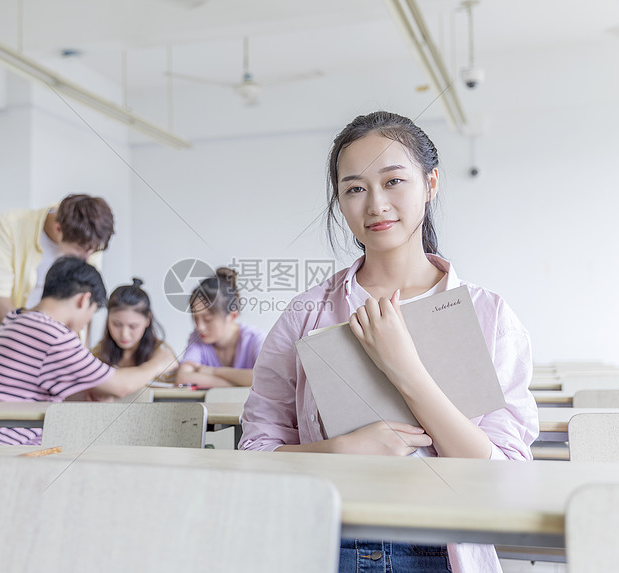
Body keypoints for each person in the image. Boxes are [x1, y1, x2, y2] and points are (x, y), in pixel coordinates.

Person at [239, 111, 538, 573]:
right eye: (355, 188)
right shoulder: (305, 314)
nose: (376, 204)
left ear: (431, 184)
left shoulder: (490, 316)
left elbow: (506, 477)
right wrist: (340, 452)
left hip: (442, 550)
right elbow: (255, 453)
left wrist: (407, 371)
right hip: (325, 542)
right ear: (340, 202)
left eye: (394, 180)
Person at [0, 257, 174, 446]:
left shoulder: (17, 319)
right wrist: (159, 362)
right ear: (84, 300)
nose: (85, 324)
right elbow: (120, 386)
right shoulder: (54, 336)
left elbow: (27, 388)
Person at [0, 194, 114, 400]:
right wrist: (42, 351)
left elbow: (82, 311)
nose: (88, 258)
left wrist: (79, 364)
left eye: (94, 251)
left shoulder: (88, 240)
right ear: (59, 230)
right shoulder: (11, 226)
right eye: (82, 250)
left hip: (38, 360)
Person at [176, 268, 266, 388]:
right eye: (195, 318)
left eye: (207, 319)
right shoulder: (197, 338)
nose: (199, 326)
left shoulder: (255, 339)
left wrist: (213, 371)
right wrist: (242, 383)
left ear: (232, 316)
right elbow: (183, 377)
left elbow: (264, 379)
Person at [93, 278, 177, 382]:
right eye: (116, 324)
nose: (124, 334)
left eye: (133, 326)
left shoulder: (164, 356)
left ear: (147, 319)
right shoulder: (97, 354)